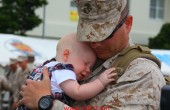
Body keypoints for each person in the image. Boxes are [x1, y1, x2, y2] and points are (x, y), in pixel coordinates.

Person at [19, 0, 166, 110]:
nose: (94, 43)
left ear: (128, 24)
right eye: (87, 35)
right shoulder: (81, 56)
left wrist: (46, 103)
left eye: (104, 35)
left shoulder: (143, 74)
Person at [17, 32, 116, 110]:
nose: (88, 70)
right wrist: (101, 82)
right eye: (86, 63)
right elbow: (78, 92)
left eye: (90, 68)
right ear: (66, 54)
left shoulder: (45, 67)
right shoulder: (64, 71)